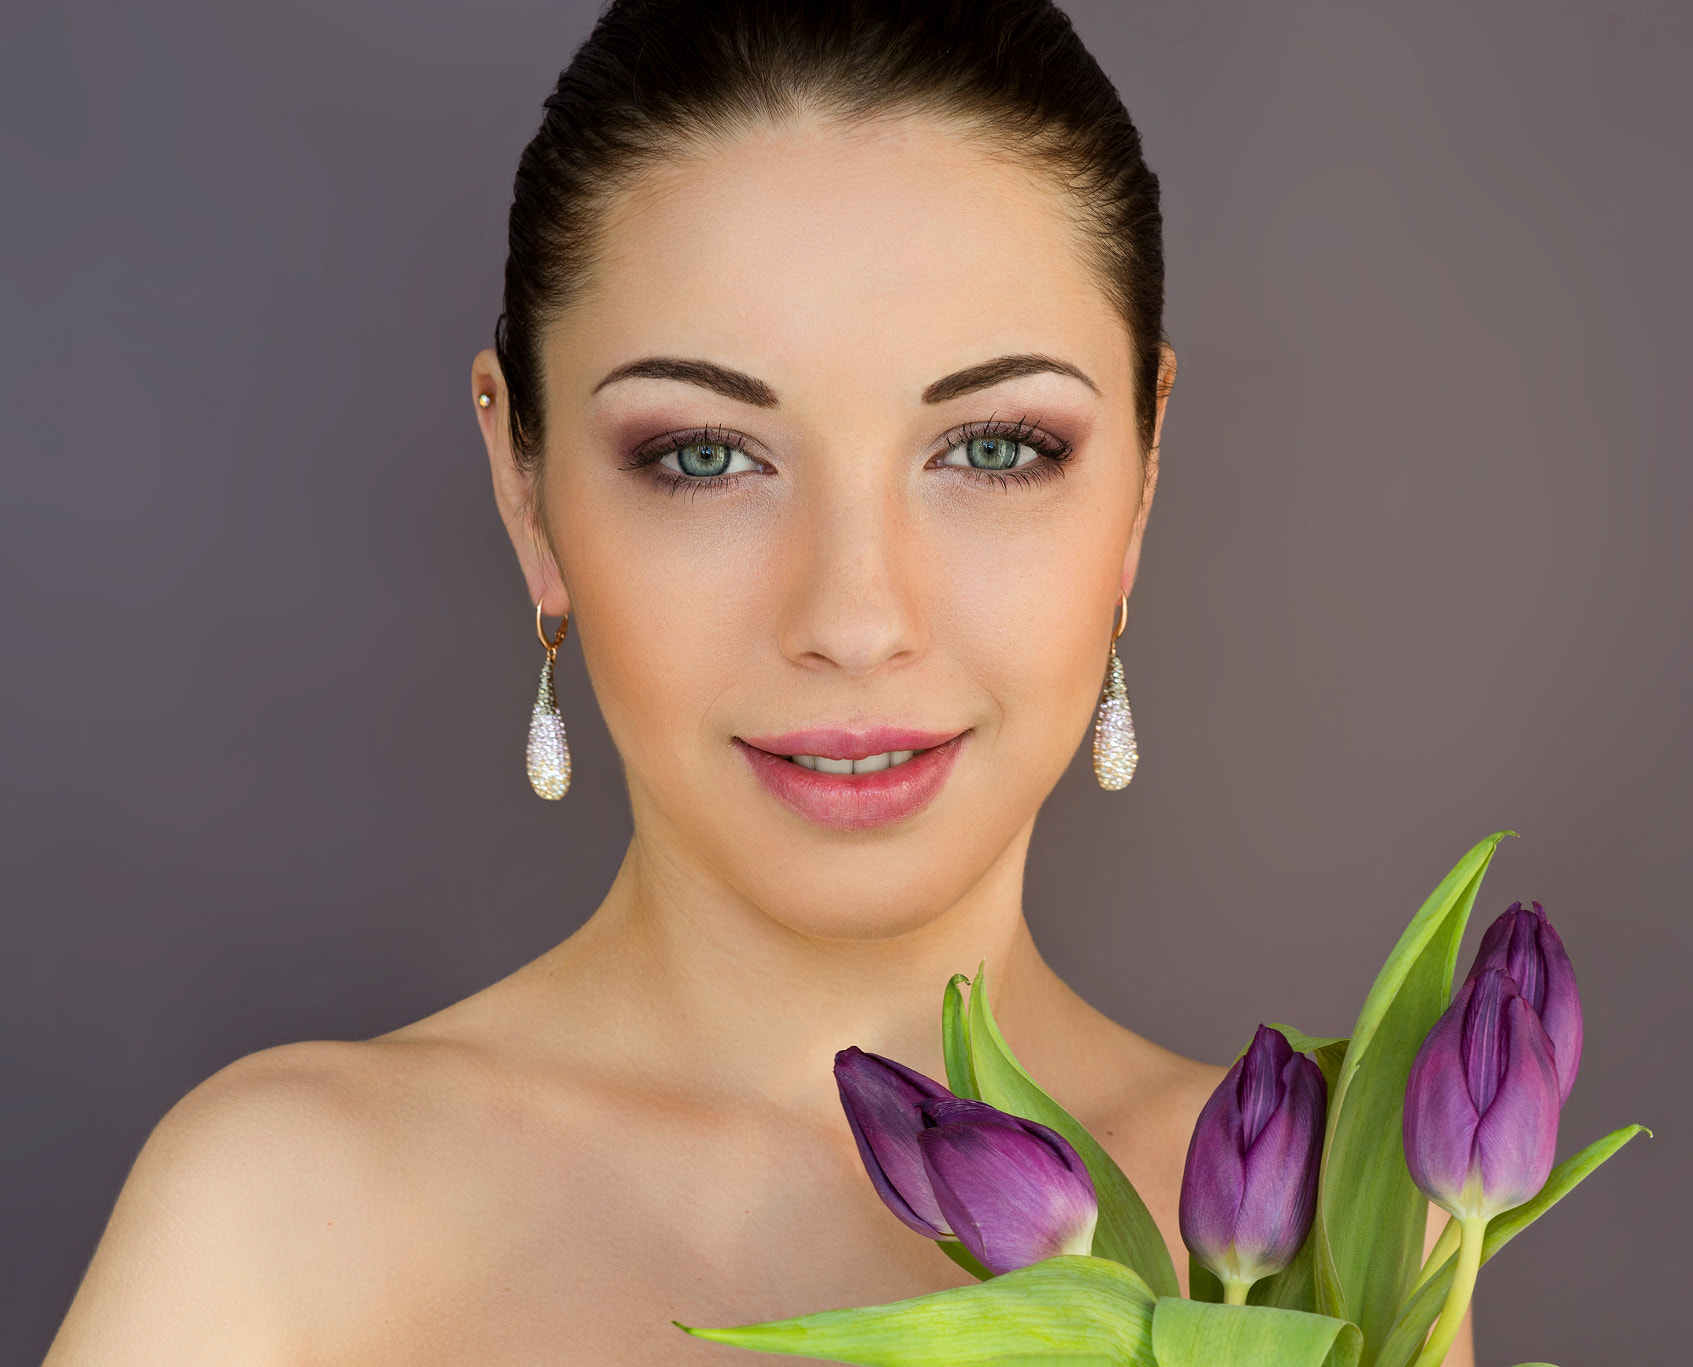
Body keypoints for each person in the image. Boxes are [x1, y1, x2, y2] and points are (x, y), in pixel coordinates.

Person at [45, 3, 1472, 1362]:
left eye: (992, 449)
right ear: (524, 486)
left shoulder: (1330, 1238)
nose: (855, 618)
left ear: (1143, 473)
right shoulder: (278, 1217)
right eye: (706, 458)